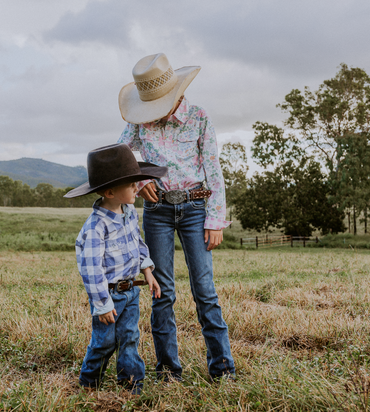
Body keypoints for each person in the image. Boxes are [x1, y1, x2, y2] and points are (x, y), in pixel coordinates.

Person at [118, 53, 235, 381]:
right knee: (162, 291)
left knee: (204, 289)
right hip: (157, 213)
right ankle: (168, 370)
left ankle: (222, 368)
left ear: (176, 94)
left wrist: (215, 219)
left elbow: (213, 168)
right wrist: (139, 182)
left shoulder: (199, 117)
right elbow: (119, 154)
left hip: (196, 209)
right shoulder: (139, 123)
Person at [64, 143, 167, 394]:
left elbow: (138, 242)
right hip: (108, 295)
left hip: (131, 291)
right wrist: (102, 304)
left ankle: (132, 384)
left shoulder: (129, 211)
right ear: (110, 192)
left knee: (130, 338)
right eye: (131, 184)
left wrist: (147, 272)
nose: (136, 187)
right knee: (104, 342)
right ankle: (89, 383)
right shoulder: (95, 228)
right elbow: (91, 270)